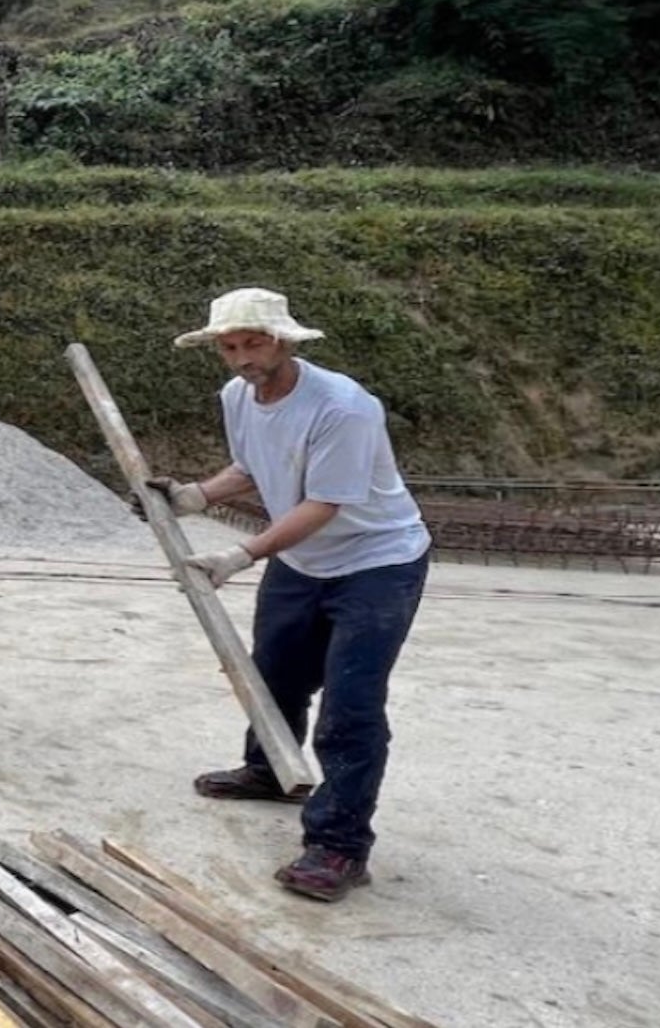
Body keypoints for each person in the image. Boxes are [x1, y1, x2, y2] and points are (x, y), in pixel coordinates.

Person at [151, 288, 433, 904]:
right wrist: (196, 495)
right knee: (273, 679)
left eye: (254, 343)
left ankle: (339, 845)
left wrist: (240, 554)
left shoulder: (343, 407)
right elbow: (253, 465)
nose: (242, 357)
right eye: (230, 346)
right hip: (301, 560)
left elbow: (324, 502)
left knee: (351, 708)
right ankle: (270, 771)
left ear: (283, 340)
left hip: (376, 563)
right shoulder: (238, 397)